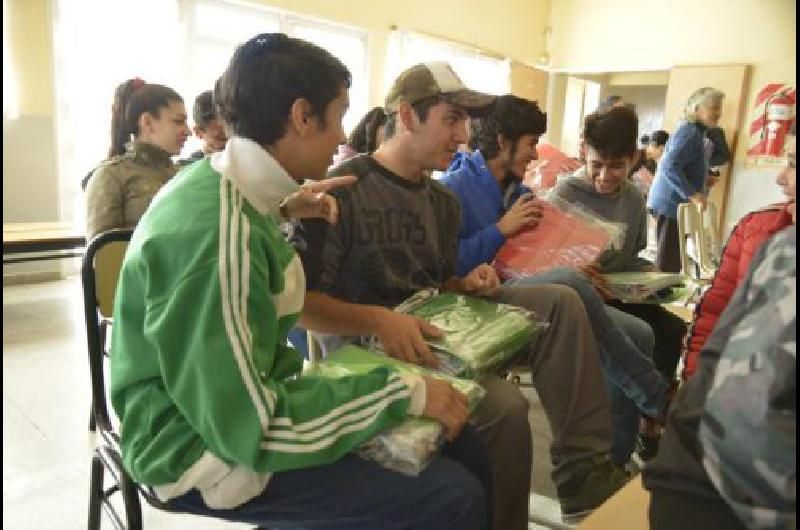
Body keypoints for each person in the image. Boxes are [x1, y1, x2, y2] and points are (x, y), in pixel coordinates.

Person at [110, 34, 493, 530]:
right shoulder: (219, 237)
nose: (343, 136)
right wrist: (402, 392)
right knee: (451, 496)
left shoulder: (221, 183)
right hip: (195, 444)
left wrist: (283, 208)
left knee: (463, 440)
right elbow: (253, 429)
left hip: (237, 399)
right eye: (338, 116)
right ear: (302, 116)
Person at [293, 62, 630, 527]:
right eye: (451, 119)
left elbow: (438, 284)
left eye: (466, 121)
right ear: (407, 116)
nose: (464, 135)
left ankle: (582, 473)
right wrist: (379, 320)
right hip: (373, 351)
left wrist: (466, 284)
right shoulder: (343, 191)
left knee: (562, 301)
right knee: (506, 407)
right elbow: (302, 307)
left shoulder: (442, 203)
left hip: (438, 328)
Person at [440, 95, 670, 467]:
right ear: (503, 141)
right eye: (531, 143)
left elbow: (537, 256)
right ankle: (657, 398)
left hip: (527, 289)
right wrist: (500, 230)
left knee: (640, 333)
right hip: (479, 301)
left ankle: (618, 456)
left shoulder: (520, 191)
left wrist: (574, 261)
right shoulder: (453, 189)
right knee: (568, 283)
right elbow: (445, 266)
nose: (536, 154)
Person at [643, 128, 795, 528]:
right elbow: (714, 320)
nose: (781, 178)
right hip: (707, 481)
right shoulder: (768, 239)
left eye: (794, 165)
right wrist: (688, 399)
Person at [549, 106, 688, 460]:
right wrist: (575, 267)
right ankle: (620, 443)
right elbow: (542, 264)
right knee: (637, 335)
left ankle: (647, 423)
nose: (604, 176)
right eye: (596, 165)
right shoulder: (564, 194)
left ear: (634, 159)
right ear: (583, 152)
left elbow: (629, 258)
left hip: (616, 293)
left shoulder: (634, 198)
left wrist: (652, 275)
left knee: (672, 329)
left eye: (616, 166)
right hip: (578, 298)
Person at [682, 123, 795, 379]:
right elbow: (715, 314)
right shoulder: (756, 229)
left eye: (794, 164)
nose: (780, 178)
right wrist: (695, 384)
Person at [83, 78, 190, 240]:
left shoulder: (184, 174)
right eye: (178, 121)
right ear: (147, 122)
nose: (187, 131)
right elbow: (104, 251)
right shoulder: (110, 176)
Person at [647, 87, 725, 272]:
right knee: (668, 263)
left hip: (674, 204)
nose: (718, 113)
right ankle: (662, 290)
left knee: (674, 259)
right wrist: (692, 194)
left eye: (719, 108)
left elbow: (683, 165)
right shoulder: (690, 132)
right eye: (714, 108)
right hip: (670, 204)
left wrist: (703, 180)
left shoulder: (696, 132)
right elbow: (669, 165)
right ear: (697, 109)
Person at [178, 88, 229, 165]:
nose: (229, 143)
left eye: (233, 136)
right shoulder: (187, 168)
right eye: (221, 139)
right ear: (198, 132)